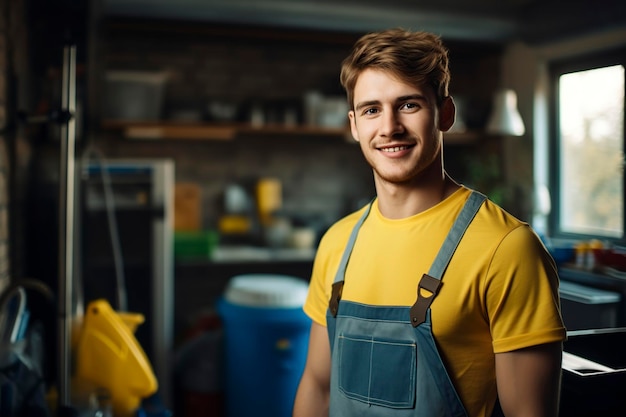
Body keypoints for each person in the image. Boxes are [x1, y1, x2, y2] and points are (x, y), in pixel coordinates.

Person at [292, 28, 566, 417]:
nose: (389, 128)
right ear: (354, 125)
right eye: (371, 109)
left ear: (446, 114)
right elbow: (317, 388)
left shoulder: (507, 248)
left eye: (408, 105)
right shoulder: (337, 243)